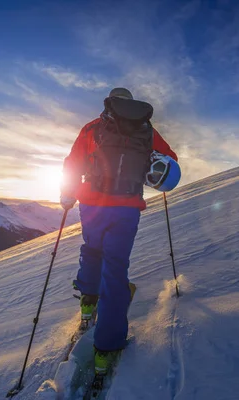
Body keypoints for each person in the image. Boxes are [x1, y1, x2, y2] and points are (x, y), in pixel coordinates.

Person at [60, 87, 179, 374]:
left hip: (92, 204)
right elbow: (171, 160)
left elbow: (73, 163)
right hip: (126, 208)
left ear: (111, 103)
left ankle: (88, 302)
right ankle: (106, 349)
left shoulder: (93, 127)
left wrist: (68, 195)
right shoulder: (146, 129)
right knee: (115, 270)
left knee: (92, 249)